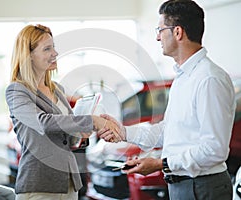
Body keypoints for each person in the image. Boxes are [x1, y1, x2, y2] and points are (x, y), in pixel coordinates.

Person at [98, 0, 236, 199]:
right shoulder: (183, 77)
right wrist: (123, 131)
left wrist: (161, 164)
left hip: (201, 188)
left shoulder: (209, 79)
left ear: (178, 32)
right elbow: (168, 130)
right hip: (182, 186)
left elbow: (214, 150)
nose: (157, 37)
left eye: (160, 29)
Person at [5, 24, 119, 200]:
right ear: (29, 56)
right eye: (47, 49)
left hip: (69, 183)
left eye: (54, 47)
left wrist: (83, 133)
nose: (55, 53)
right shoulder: (17, 91)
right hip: (39, 186)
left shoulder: (57, 89)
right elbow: (44, 123)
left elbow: (69, 138)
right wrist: (91, 120)